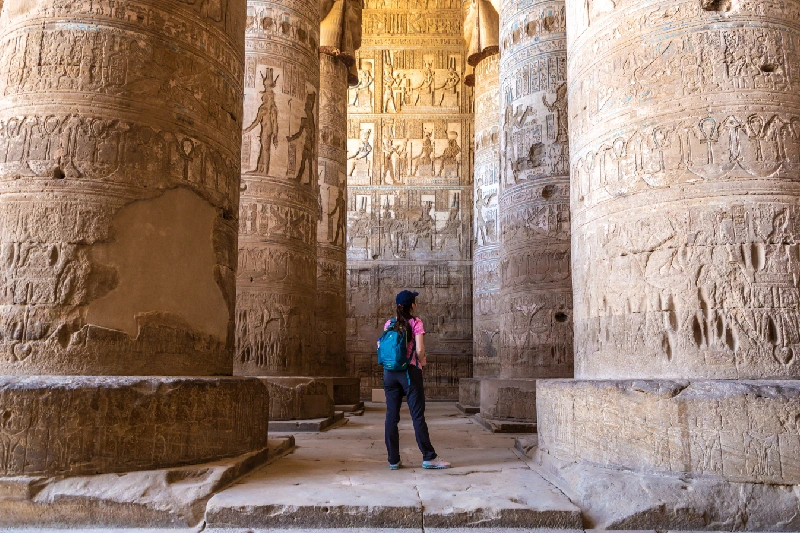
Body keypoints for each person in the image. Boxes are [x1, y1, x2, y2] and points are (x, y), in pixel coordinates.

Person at [382, 290, 451, 470]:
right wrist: (423, 361)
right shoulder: (416, 322)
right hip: (409, 373)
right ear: (412, 305)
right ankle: (429, 456)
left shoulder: (389, 323)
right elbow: (419, 350)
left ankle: (393, 460)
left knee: (391, 416)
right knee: (417, 416)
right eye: (415, 302)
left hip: (389, 374)